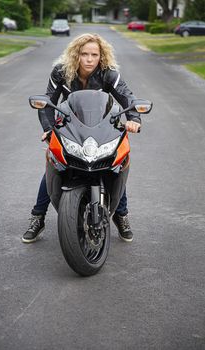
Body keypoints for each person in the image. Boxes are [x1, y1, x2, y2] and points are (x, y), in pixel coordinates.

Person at [22, 33, 141, 244]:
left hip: (102, 125)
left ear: (101, 56)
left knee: (115, 164)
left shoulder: (109, 74)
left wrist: (133, 118)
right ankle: (38, 217)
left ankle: (121, 216)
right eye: (84, 54)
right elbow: (48, 102)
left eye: (94, 54)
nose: (88, 59)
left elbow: (127, 97)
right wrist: (49, 130)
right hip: (70, 124)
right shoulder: (60, 72)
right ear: (76, 54)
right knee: (55, 163)